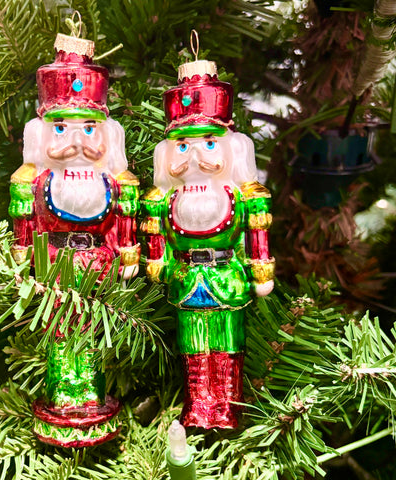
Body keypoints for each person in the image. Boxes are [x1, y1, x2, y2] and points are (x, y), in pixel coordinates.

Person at [9, 32, 139, 447]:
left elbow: (122, 223)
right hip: (54, 263)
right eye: (62, 128)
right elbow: (27, 226)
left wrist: (127, 252)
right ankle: (63, 398)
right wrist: (23, 257)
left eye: (89, 128)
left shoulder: (114, 183)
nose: (77, 142)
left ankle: (92, 396)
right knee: (59, 330)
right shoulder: (36, 181)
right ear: (41, 134)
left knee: (94, 331)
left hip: (99, 265)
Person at [142, 58, 274, 429]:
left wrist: (261, 272)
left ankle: (227, 406)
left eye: (210, 143)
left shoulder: (243, 196)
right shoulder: (165, 199)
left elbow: (256, 235)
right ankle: (198, 404)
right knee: (192, 344)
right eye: (183, 146)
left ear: (232, 148)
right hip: (186, 280)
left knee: (228, 342)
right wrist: (159, 263)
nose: (196, 157)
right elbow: (158, 238)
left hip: (227, 277)